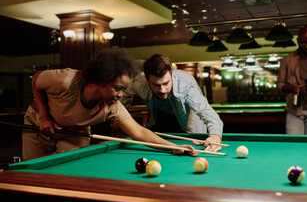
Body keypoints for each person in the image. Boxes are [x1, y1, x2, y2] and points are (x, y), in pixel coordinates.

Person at [22, 48, 197, 160]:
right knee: (33, 170)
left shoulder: (112, 105)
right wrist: (44, 117)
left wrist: (174, 147)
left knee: (74, 169)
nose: (121, 95)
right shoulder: (66, 80)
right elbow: (37, 79)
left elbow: (139, 131)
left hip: (75, 131)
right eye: (118, 88)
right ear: (101, 80)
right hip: (38, 124)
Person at [120, 54, 223, 152]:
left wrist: (215, 135)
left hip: (187, 130)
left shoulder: (185, 86)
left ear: (171, 75)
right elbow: (123, 96)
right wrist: (118, 115)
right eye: (156, 85)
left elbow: (206, 110)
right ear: (147, 80)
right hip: (159, 128)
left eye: (166, 83)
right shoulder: (138, 83)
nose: (162, 90)